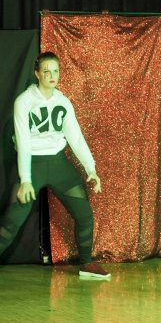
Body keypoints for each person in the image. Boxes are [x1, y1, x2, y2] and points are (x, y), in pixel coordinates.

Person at [0, 52, 110, 279]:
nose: (52, 75)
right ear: (37, 74)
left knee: (85, 215)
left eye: (56, 71)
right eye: (46, 71)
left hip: (58, 163)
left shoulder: (63, 101)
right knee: (12, 222)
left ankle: (87, 264)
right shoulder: (24, 101)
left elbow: (75, 137)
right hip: (33, 164)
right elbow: (23, 141)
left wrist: (91, 168)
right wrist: (26, 179)